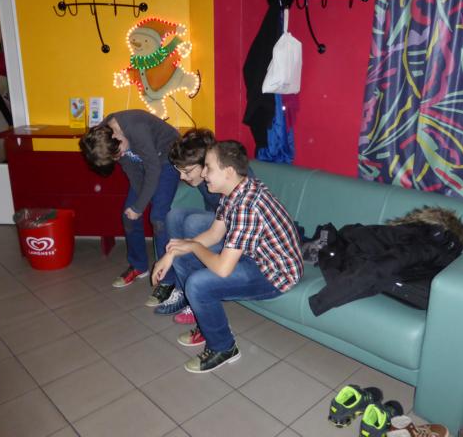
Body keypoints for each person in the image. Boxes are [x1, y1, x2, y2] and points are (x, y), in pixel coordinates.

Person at [151, 140, 303, 373]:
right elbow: (214, 234)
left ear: (229, 172)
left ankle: (223, 348)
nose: (203, 173)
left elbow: (222, 269)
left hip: (275, 273)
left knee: (198, 285)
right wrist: (171, 254)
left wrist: (192, 246)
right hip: (254, 255)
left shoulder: (247, 205)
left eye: (208, 167)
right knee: (183, 257)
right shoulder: (233, 191)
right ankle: (208, 323)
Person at [79, 109, 180, 288]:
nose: (120, 156)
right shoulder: (105, 138)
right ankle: (139, 266)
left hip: (167, 156)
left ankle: (167, 280)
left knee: (158, 218)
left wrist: (141, 206)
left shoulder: (136, 129)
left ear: (117, 135)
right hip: (145, 160)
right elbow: (132, 170)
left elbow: (154, 169)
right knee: (129, 216)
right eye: (115, 157)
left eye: (119, 152)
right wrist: (141, 202)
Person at [144, 128, 219, 318]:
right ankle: (183, 290)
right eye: (180, 171)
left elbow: (232, 219)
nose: (182, 177)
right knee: (173, 216)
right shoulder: (203, 172)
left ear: (206, 163)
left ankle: (197, 298)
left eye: (186, 171)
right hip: (218, 220)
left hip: (237, 229)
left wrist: (177, 250)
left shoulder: (225, 173)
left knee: (193, 223)